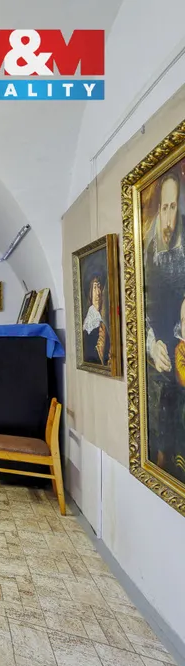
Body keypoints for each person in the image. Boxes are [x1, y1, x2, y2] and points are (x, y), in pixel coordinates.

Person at [143, 170, 185, 472]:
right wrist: (152, 341)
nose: (168, 220)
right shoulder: (149, 249)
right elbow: (144, 305)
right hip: (162, 352)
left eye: (174, 207)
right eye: (164, 208)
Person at [81, 276, 108, 366]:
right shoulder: (88, 323)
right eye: (94, 287)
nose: (98, 293)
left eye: (99, 287)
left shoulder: (102, 319)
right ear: (90, 293)